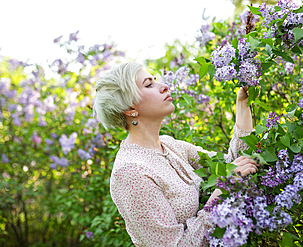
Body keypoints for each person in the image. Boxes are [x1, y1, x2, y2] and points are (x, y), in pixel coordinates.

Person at [93, 62, 259, 247]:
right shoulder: (131, 173)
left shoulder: (169, 145)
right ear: (130, 110)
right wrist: (223, 190)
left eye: (155, 80)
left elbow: (233, 165)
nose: (164, 86)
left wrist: (242, 105)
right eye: (149, 84)